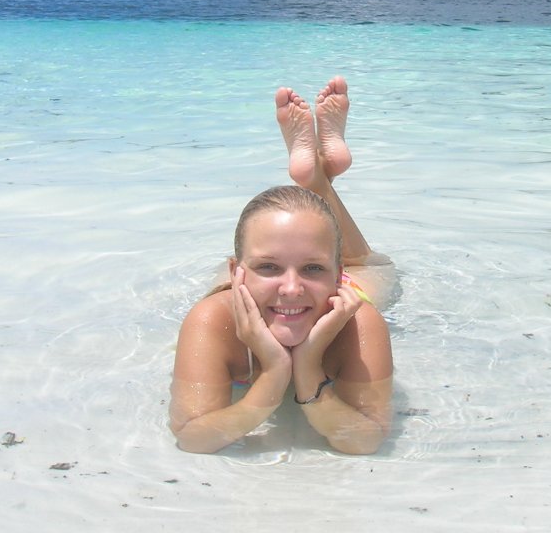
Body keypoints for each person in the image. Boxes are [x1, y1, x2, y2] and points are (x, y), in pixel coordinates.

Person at [169, 77, 394, 454]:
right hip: (246, 289)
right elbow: (193, 438)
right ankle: (320, 179)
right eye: (269, 268)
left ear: (338, 278)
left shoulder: (357, 321)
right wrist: (273, 377)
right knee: (359, 257)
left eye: (314, 270)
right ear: (235, 272)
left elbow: (366, 440)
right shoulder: (212, 320)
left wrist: (307, 372)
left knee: (377, 271)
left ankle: (319, 179)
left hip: (331, 297)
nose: (292, 288)